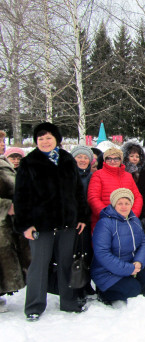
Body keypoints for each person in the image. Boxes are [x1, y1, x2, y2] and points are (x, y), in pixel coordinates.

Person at [14, 123, 88, 321]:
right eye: (40, 139)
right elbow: (20, 197)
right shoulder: (29, 163)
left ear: (56, 139)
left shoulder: (66, 160)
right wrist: (25, 225)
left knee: (66, 262)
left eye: (48, 138)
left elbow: (78, 192)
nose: (45, 142)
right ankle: (34, 306)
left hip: (67, 223)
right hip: (40, 225)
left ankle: (69, 301)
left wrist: (81, 217)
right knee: (39, 264)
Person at [91, 188, 145, 304]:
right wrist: (128, 268)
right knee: (134, 289)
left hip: (130, 266)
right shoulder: (105, 223)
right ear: (114, 204)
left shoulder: (134, 220)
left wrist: (138, 262)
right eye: (120, 203)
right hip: (107, 272)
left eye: (127, 203)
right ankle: (105, 294)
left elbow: (144, 243)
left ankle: (132, 288)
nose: (124, 206)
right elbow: (102, 253)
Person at [0, 153, 30, 313]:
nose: (1, 144)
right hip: (4, 217)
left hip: (9, 221)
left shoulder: (4, 162)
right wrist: (6, 205)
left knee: (6, 260)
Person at [88, 147, 143, 231]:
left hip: (127, 221)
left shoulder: (128, 176)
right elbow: (93, 198)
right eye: (109, 159)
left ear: (121, 160)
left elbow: (137, 197)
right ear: (104, 160)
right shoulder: (98, 175)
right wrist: (108, 214)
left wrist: (133, 214)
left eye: (116, 159)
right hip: (105, 222)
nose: (112, 161)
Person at [71, 145, 96, 298]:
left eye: (85, 157)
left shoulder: (92, 176)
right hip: (73, 221)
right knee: (74, 254)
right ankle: (75, 285)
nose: (82, 160)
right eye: (79, 157)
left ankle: (86, 283)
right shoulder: (67, 175)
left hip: (88, 220)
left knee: (87, 252)